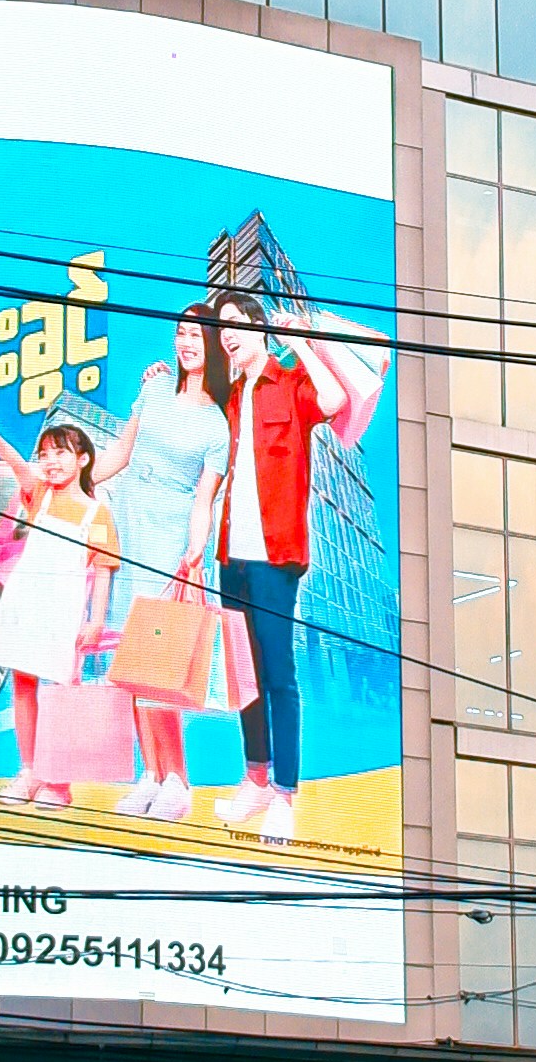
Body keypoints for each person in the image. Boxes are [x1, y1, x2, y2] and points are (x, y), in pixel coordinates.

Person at [208, 286, 385, 844]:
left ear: (259, 327)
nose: (228, 335)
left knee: (279, 676)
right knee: (245, 674)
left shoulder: (289, 382)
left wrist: (301, 340)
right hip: (231, 556)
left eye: (236, 323)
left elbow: (332, 401)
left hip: (275, 555)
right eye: (221, 327)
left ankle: (285, 794)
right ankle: (255, 779)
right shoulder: (233, 394)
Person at [94, 309, 230, 814]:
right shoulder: (153, 389)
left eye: (197, 335)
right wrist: (77, 485)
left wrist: (195, 551)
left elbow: (204, 499)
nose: (187, 342)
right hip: (129, 524)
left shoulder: (218, 425)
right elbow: (120, 452)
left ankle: (178, 781)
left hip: (168, 539)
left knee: (159, 659)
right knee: (130, 658)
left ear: (214, 345)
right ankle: (149, 774)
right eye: (181, 332)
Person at [0, 402, 118, 803]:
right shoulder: (40, 497)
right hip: (26, 603)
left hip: (64, 612)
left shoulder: (97, 513)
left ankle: (59, 781)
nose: (51, 461)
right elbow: (18, 468)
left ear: (84, 459)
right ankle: (29, 772)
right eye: (44, 454)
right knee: (23, 685)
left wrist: (95, 621)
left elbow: (104, 569)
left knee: (62, 693)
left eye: (61, 452)